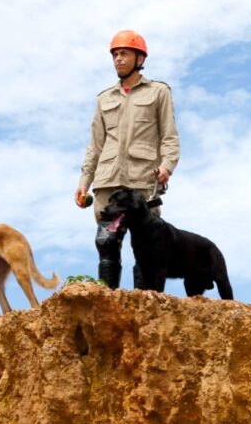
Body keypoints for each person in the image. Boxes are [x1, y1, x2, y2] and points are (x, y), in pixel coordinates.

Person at [76, 30, 181, 288]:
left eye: (124, 53)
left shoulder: (158, 92)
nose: (118, 59)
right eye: (115, 55)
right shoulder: (104, 99)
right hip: (108, 181)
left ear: (139, 58)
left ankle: (146, 309)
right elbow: (95, 146)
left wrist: (167, 166)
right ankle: (107, 304)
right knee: (106, 241)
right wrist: (83, 182)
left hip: (143, 182)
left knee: (148, 246)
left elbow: (169, 137)